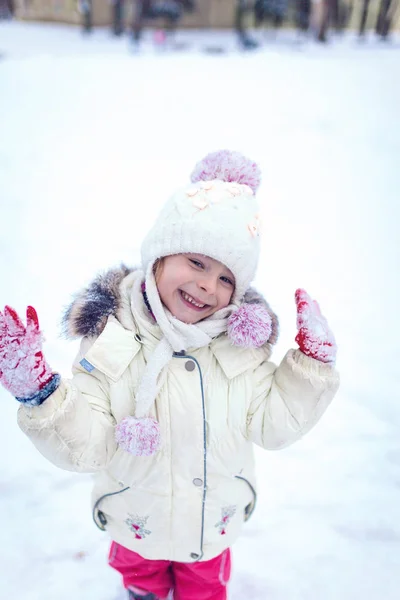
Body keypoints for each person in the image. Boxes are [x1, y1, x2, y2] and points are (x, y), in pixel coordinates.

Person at [0, 150, 340, 600]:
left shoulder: (238, 347)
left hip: (210, 527)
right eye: (196, 263)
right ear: (158, 256)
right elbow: (88, 444)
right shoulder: (113, 334)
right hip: (134, 516)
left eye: (225, 279)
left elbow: (272, 423)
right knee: (141, 580)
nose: (207, 285)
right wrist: (41, 393)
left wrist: (310, 367)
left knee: (204, 591)